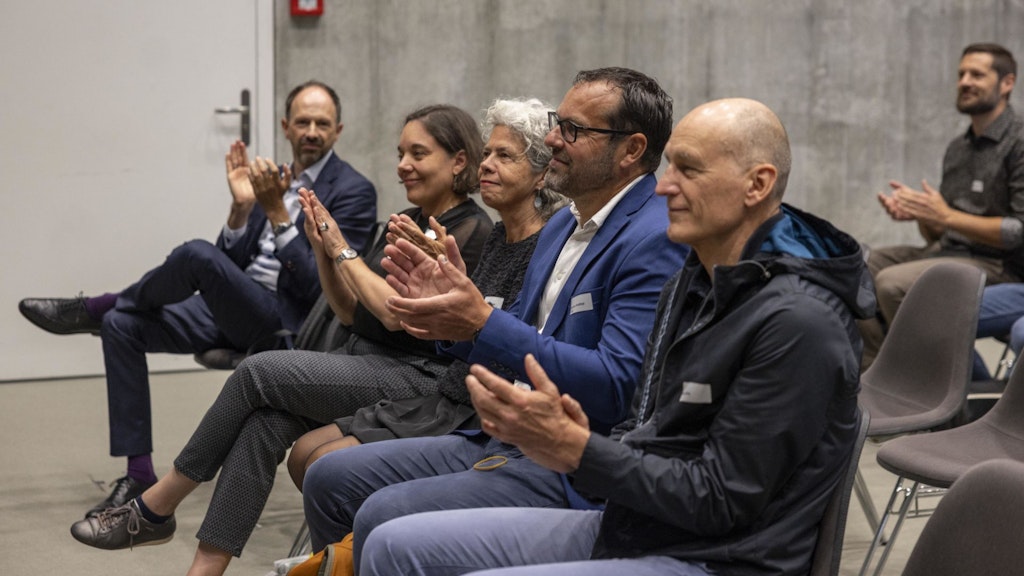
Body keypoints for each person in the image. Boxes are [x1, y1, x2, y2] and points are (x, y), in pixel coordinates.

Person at [359, 97, 873, 576]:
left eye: (689, 170)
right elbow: (645, 422)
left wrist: (579, 450)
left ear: (757, 185)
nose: (665, 187)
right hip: (634, 520)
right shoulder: (693, 282)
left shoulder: (800, 323)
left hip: (711, 558)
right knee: (393, 544)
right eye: (670, 167)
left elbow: (721, 500)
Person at [67, 104, 493, 576]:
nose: (403, 165)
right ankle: (203, 570)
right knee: (263, 424)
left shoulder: (470, 232)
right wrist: (322, 250)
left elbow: (395, 315)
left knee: (258, 370)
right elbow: (348, 311)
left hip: (417, 378)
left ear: (458, 161)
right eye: (400, 154)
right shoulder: (406, 218)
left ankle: (156, 506)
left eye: (418, 153)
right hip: (363, 358)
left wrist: (340, 247)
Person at [301, 67, 689, 567]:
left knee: (382, 512)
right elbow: (513, 343)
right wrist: (452, 321)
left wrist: (481, 320)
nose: (553, 139)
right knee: (328, 477)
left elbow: (617, 385)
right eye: (557, 123)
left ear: (631, 150)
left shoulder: (653, 238)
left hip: (566, 461)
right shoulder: (560, 227)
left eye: (573, 129)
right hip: (499, 433)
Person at [16, 80, 378, 516]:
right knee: (122, 325)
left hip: (286, 322)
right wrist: (241, 210)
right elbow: (227, 264)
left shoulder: (354, 190)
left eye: (322, 124)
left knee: (194, 254)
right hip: (234, 307)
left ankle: (96, 305)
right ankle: (139, 472)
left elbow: (323, 292)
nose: (312, 132)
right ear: (286, 127)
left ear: (338, 130)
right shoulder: (272, 178)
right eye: (303, 122)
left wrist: (277, 214)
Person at [285, 97, 567, 490]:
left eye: (504, 156)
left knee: (316, 453)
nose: (486, 164)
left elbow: (508, 347)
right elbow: (455, 336)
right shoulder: (498, 236)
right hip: (449, 392)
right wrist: (439, 307)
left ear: (542, 175)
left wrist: (341, 249)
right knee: (301, 451)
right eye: (487, 153)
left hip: (470, 407)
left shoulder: (540, 244)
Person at [861, 43, 1024, 368]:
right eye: (961, 74)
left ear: (1007, 83)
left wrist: (946, 216)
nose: (964, 82)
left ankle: (956, 382)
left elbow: (1017, 231)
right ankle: (877, 375)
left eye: (976, 74)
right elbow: (939, 232)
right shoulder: (958, 148)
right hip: (951, 252)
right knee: (858, 268)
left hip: (1000, 265)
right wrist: (922, 215)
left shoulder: (1018, 143)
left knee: (893, 285)